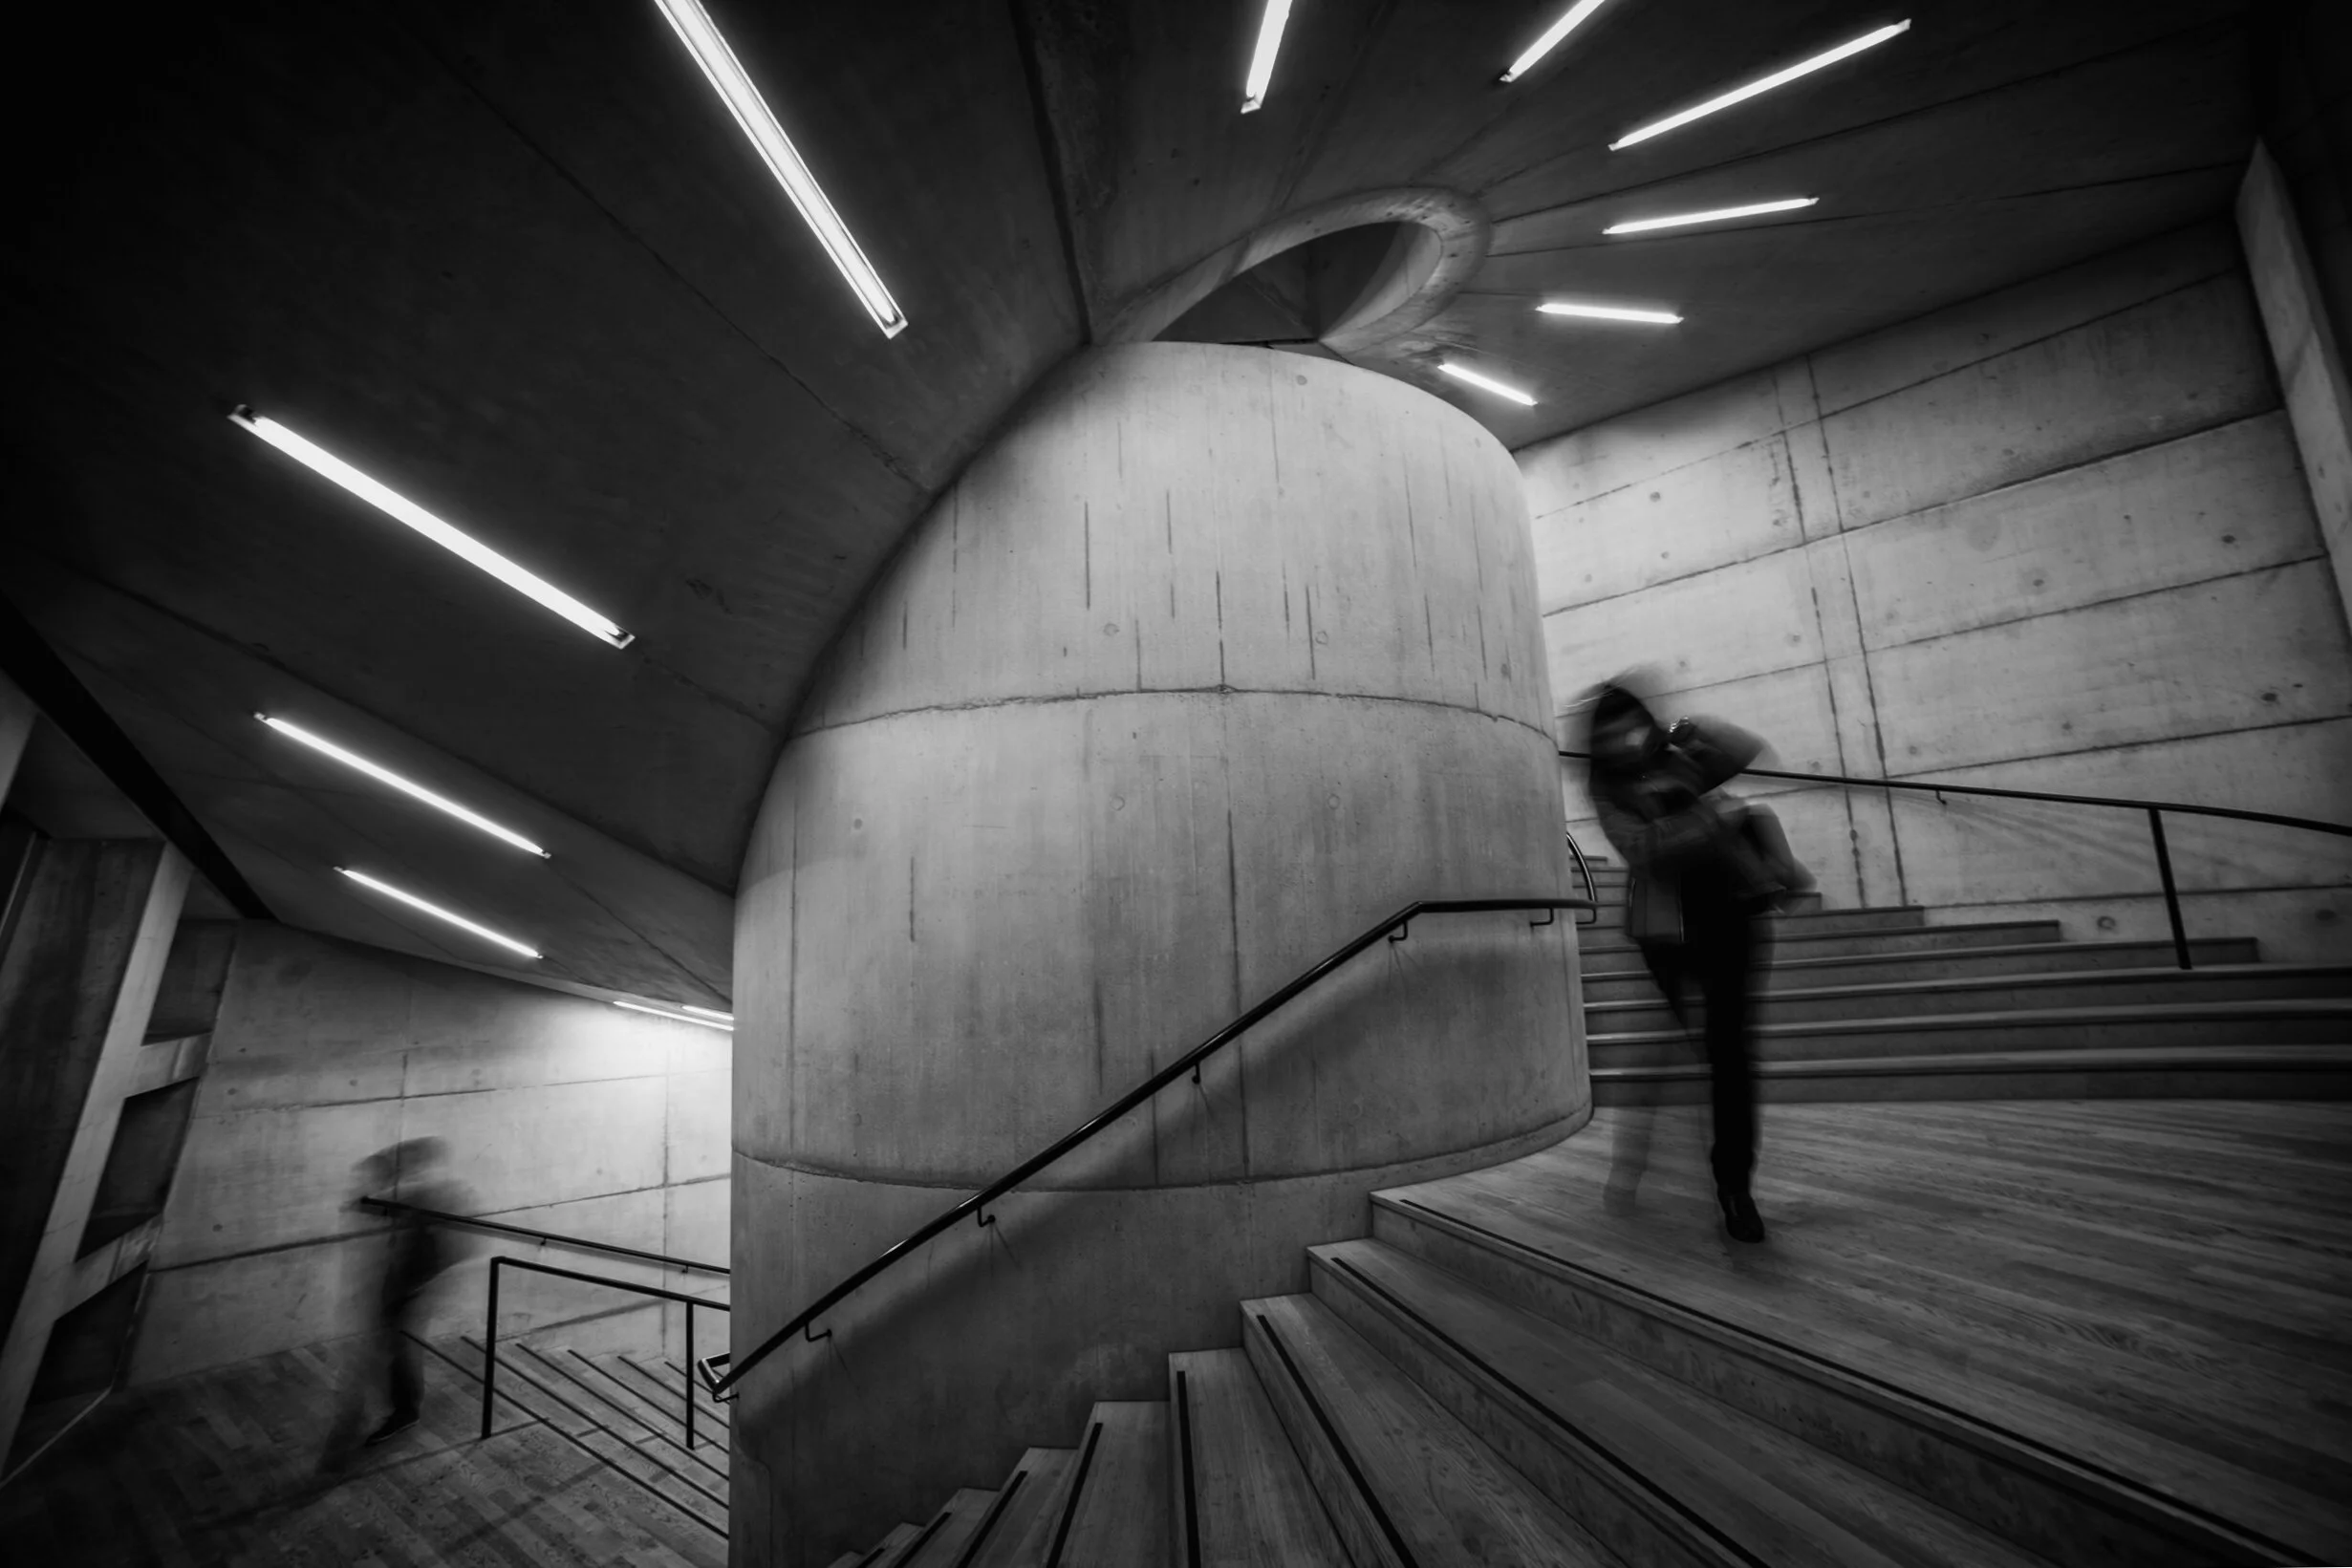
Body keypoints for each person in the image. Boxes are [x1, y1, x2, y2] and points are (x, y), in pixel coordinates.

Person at [1583, 678, 1807, 1243]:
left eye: (1633, 727)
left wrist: (1689, 732)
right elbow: (1643, 850)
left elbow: (1743, 749)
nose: (1626, 741)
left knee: (1729, 1055)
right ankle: (1637, 1158)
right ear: (1597, 744)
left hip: (1733, 915)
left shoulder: (1677, 757)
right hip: (1667, 931)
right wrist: (1713, 821)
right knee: (1684, 1052)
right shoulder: (1607, 787)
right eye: (1611, 735)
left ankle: (1735, 1186)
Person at [322, 1138, 467, 1465]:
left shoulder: (432, 1196)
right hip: (400, 1286)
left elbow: (443, 1250)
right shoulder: (420, 1194)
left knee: (396, 1349)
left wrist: (413, 1287)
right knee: (389, 1347)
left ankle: (402, 1411)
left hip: (409, 1288)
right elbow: (394, 1210)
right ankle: (389, 1409)